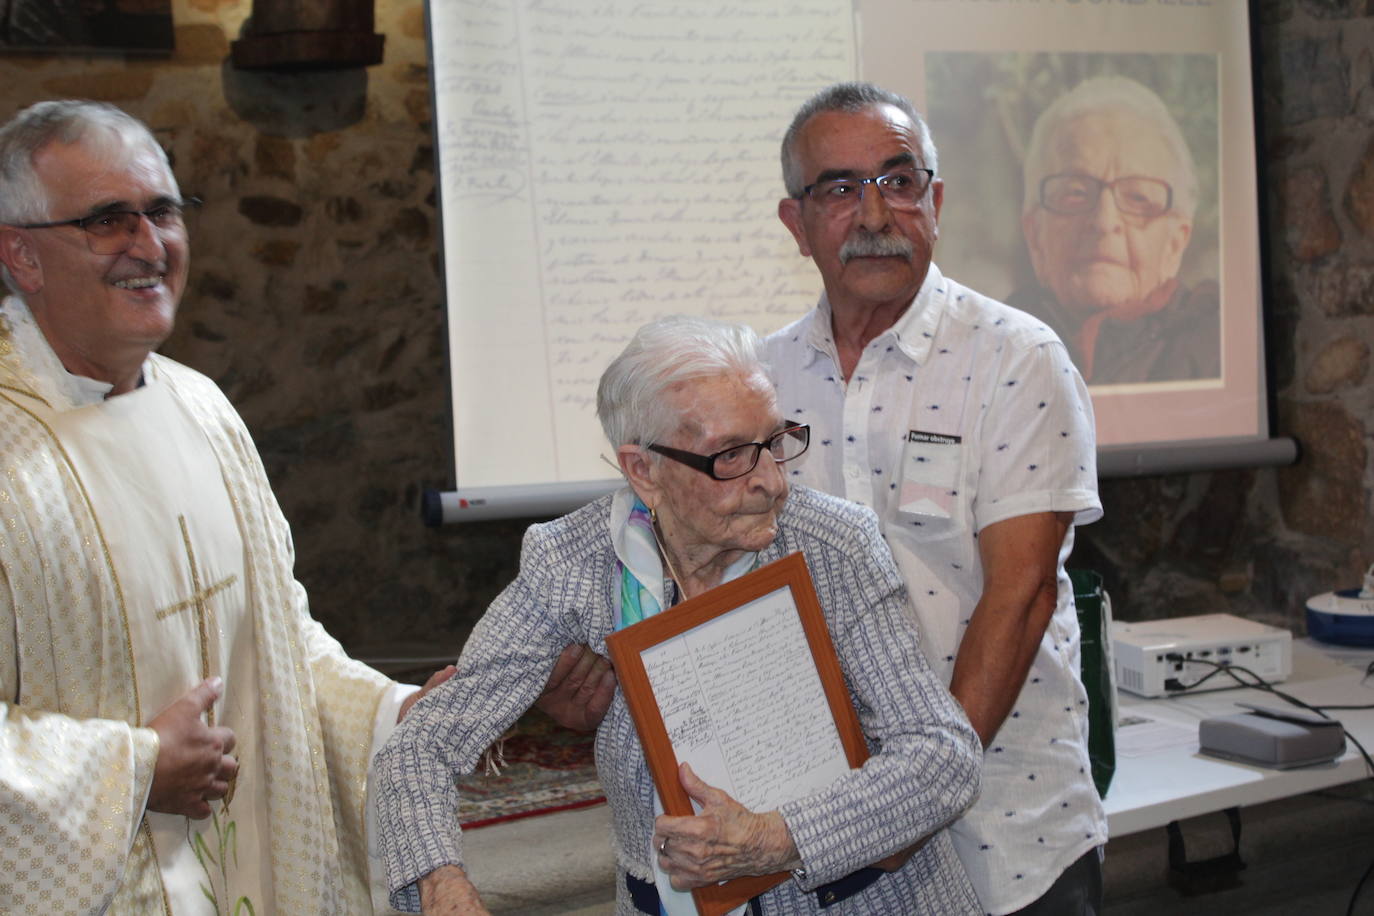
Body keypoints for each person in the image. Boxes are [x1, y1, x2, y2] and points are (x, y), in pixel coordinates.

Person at [0, 99, 609, 914]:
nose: (150, 247)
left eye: (164, 213)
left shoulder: (201, 410)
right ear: (21, 256)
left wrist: (416, 716)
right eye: (109, 220)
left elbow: (281, 652)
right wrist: (134, 767)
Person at [375, 314, 984, 915]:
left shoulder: (833, 546)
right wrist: (441, 886)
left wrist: (778, 837)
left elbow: (942, 752)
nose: (772, 482)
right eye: (732, 457)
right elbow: (419, 748)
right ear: (644, 470)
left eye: (775, 442)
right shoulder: (572, 565)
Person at [766, 82, 1105, 915]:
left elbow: (1018, 596)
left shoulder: (1017, 357)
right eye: (840, 189)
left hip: (1005, 832)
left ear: (937, 200)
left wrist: (917, 795)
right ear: (795, 223)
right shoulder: (762, 380)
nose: (875, 212)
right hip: (825, 830)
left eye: (899, 179)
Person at [1011, 74, 1217, 384]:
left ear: (1175, 245)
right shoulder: (985, 347)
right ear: (1035, 236)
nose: (1105, 222)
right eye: (1076, 193)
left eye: (1137, 197)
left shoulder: (1221, 346)